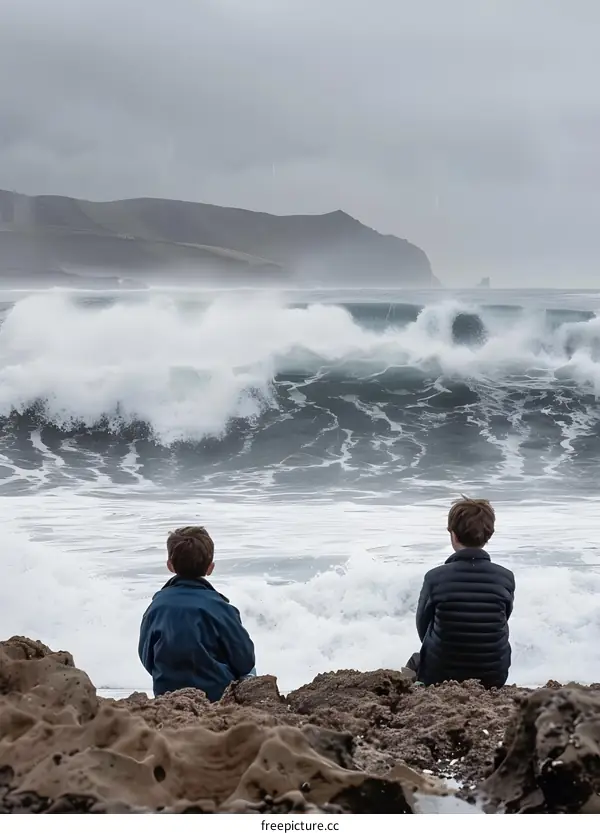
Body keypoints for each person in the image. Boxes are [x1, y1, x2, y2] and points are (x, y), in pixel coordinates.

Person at [406, 497, 515, 689]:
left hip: (440, 675)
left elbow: (422, 628)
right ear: (489, 535)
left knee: (414, 662)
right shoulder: (505, 578)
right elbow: (503, 619)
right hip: (493, 676)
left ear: (453, 535)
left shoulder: (434, 577)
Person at [138, 525, 256, 701]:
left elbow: (146, 657)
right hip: (215, 695)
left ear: (170, 566)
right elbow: (245, 660)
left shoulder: (155, 607)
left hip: (167, 693)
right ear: (210, 568)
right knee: (250, 673)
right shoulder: (221, 608)